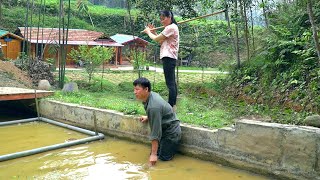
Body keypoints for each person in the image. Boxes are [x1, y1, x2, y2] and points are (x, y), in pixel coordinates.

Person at [133, 77, 181, 166]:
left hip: (171, 132)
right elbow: (161, 110)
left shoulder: (153, 106)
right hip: (164, 128)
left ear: (146, 89)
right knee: (154, 157)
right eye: (134, 89)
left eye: (137, 89)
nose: (134, 92)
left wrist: (154, 154)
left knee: (162, 159)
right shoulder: (151, 95)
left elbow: (155, 132)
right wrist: (148, 116)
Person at [142, 10, 179, 109]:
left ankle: (171, 106)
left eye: (163, 19)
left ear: (169, 17)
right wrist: (154, 32)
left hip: (168, 57)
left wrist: (148, 32)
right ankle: (173, 104)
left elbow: (155, 39)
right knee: (171, 82)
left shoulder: (171, 27)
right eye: (161, 19)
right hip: (169, 57)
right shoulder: (170, 28)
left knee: (170, 83)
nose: (162, 21)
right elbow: (161, 41)